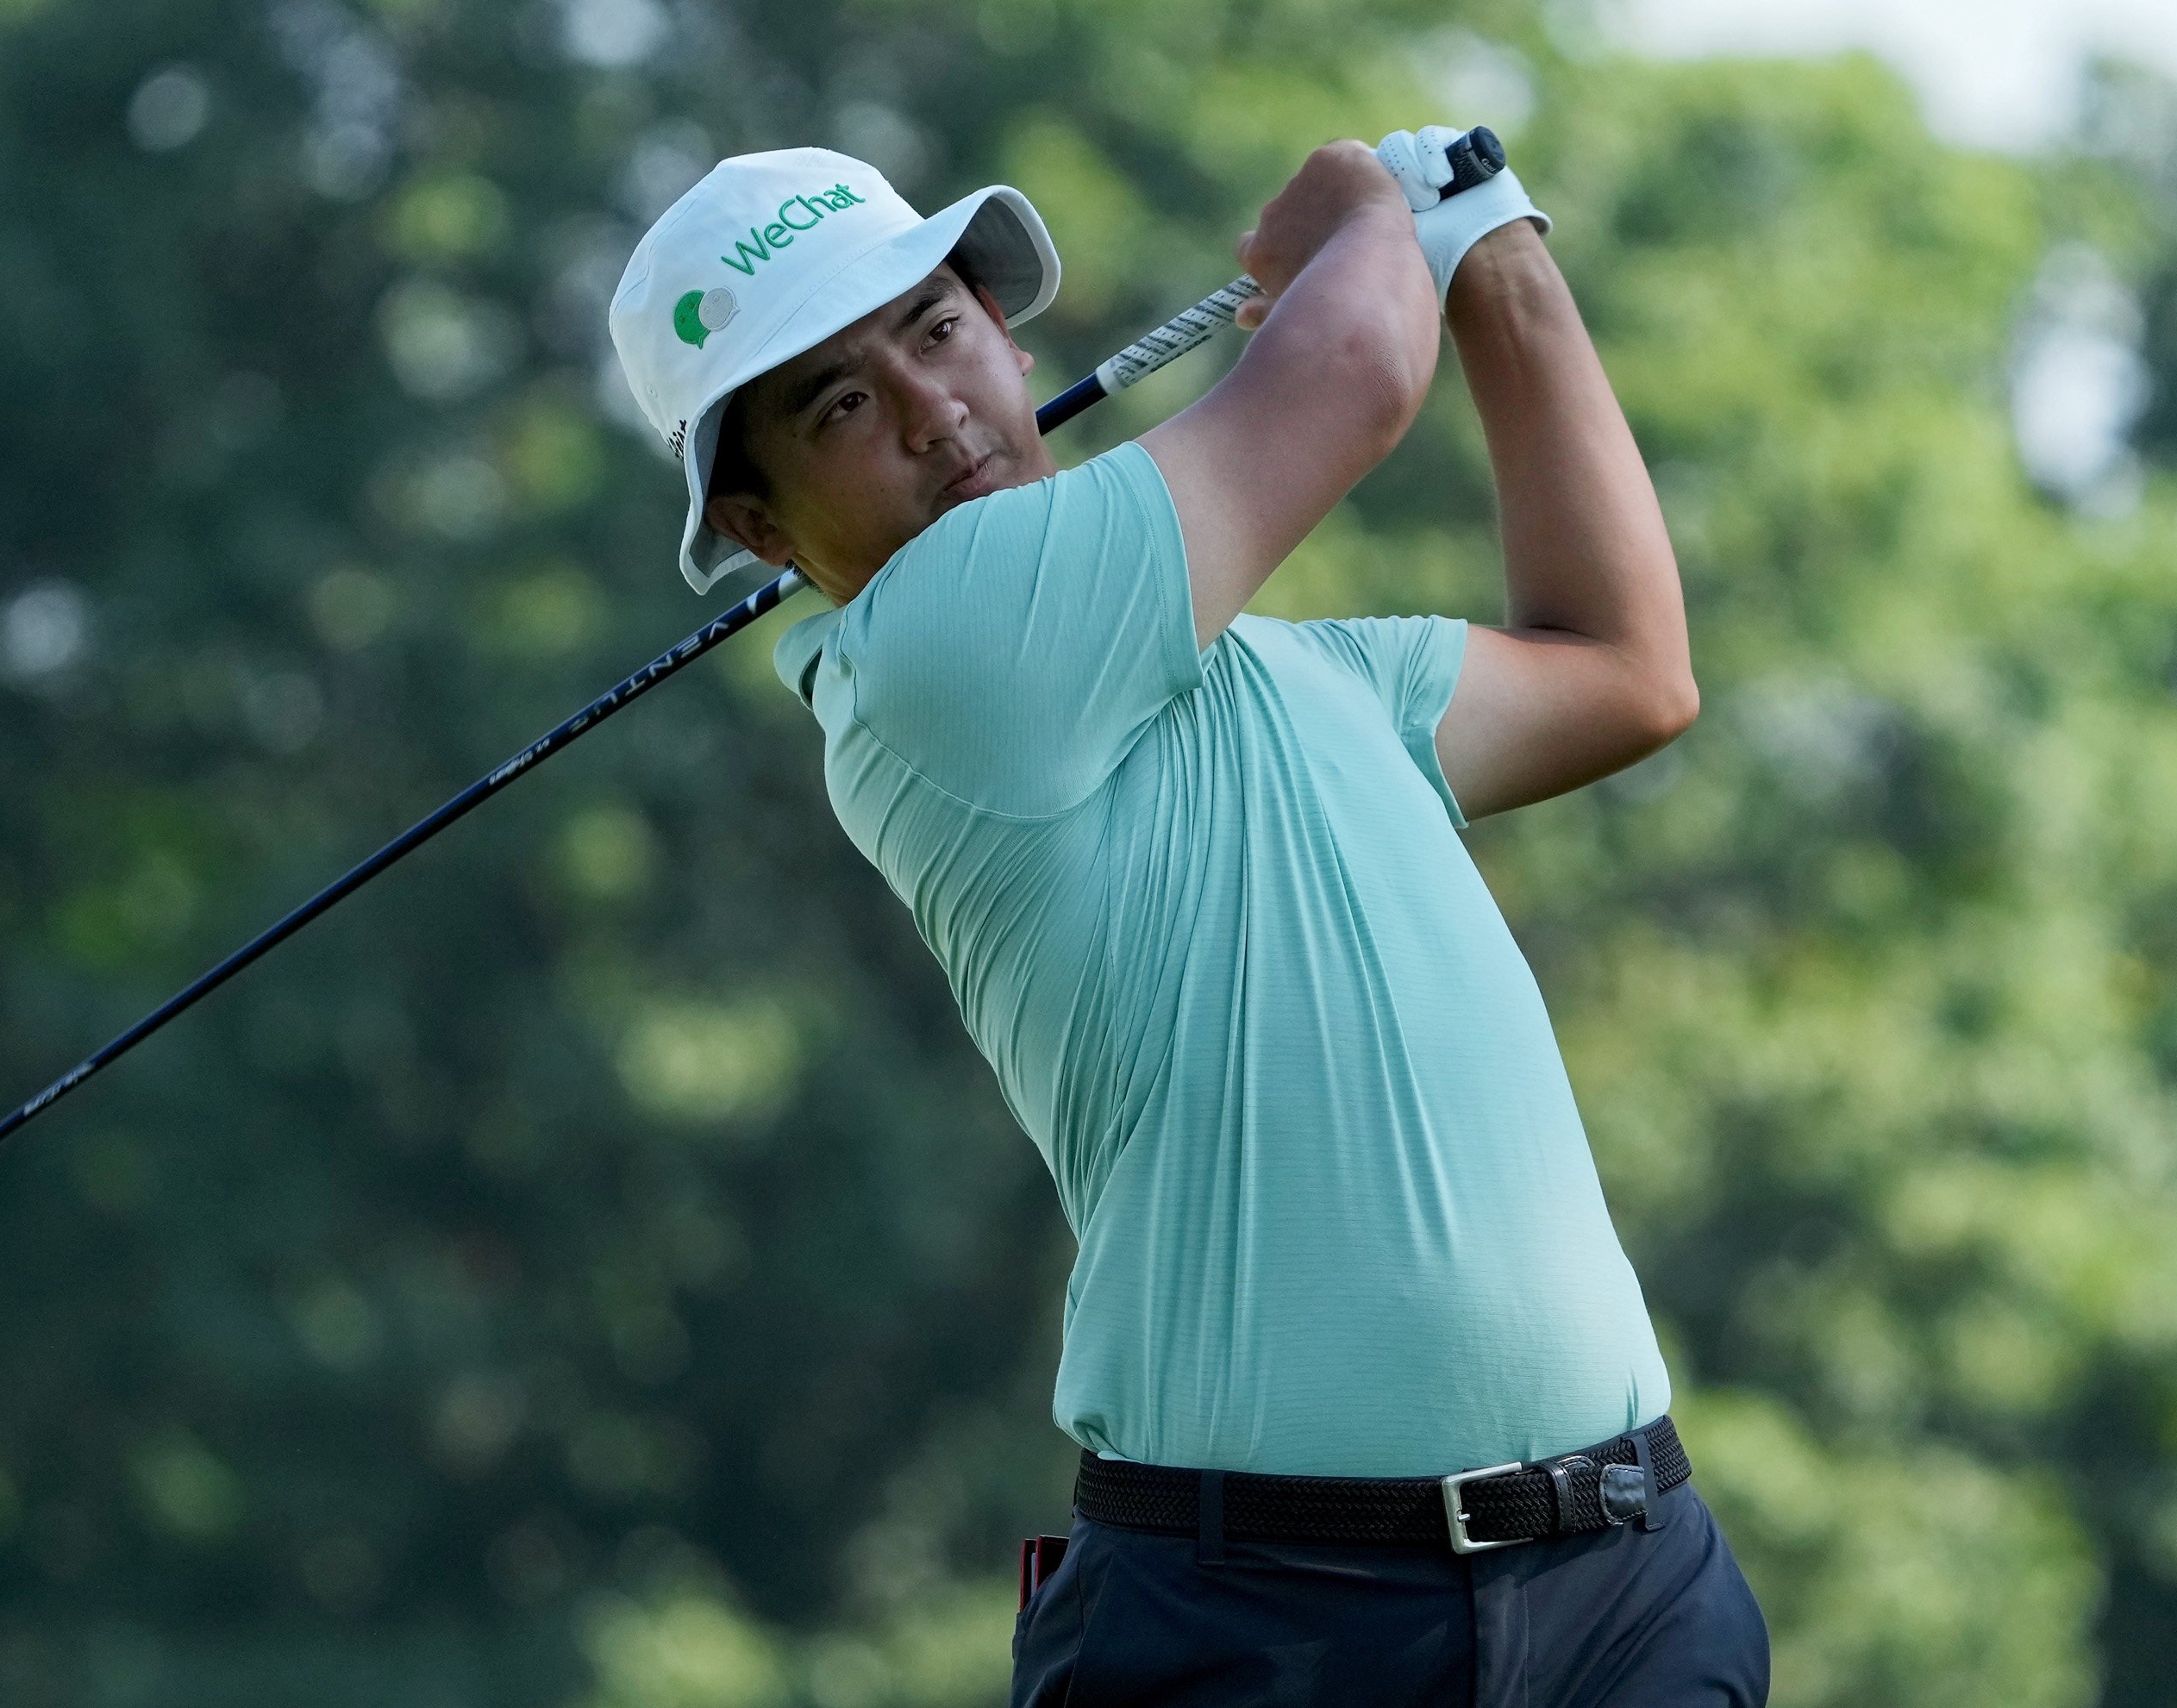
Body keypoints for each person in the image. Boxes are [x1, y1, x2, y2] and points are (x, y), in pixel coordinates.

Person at [609, 128, 1768, 1707]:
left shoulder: (1315, 676)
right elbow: (1354, 366)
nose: (936, 411)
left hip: (1629, 1583)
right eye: (842, 404)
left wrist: (1498, 252)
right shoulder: (934, 662)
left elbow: (1629, 672)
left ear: (1008, 342)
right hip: (1274, 1621)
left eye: (939, 333)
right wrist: (1368, 209)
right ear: (759, 528)